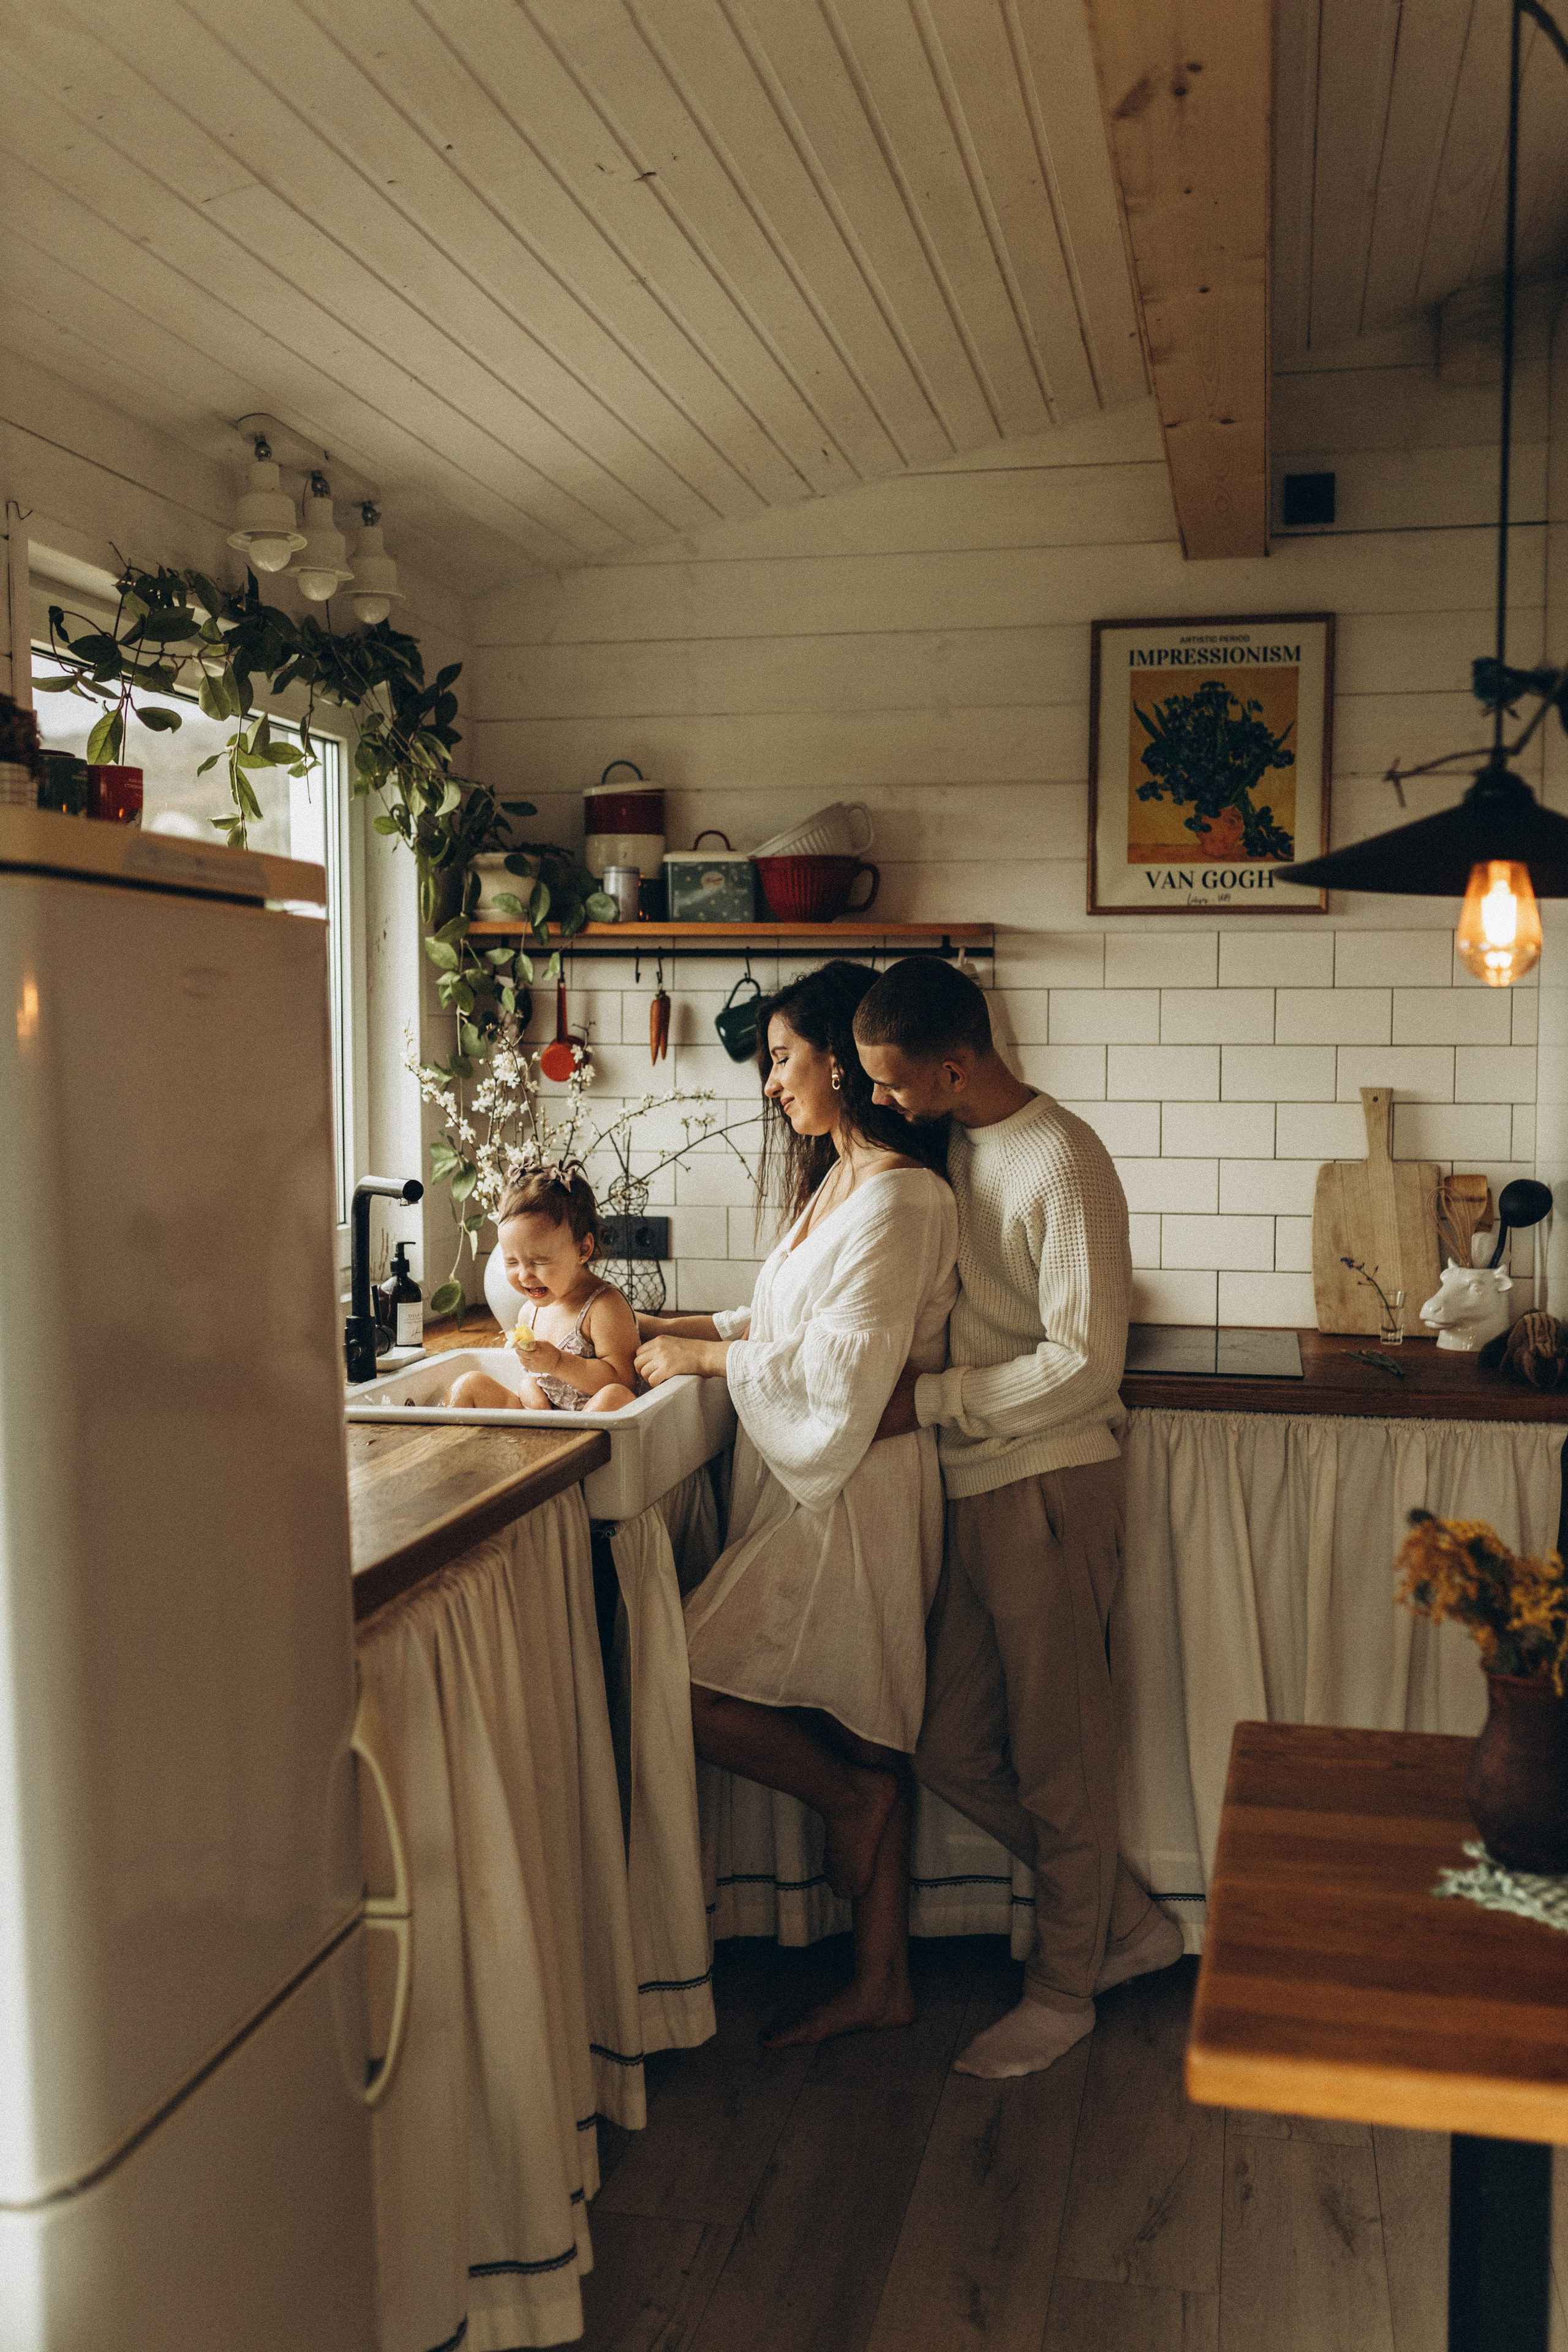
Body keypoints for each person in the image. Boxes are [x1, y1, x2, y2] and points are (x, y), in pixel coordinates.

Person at [853, 956, 1182, 2080]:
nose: (884, 1102)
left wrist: (930, 1405)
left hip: (1049, 1481)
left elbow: (1085, 1367)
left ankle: (1066, 1990)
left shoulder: (1065, 1161)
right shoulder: (956, 1142)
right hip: (979, 1483)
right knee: (948, 1743)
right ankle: (1129, 1924)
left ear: (955, 1065)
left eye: (894, 1084)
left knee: (1061, 1760)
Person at [634, 961, 957, 2047]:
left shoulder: (904, 1197)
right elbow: (787, 1308)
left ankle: (850, 1814)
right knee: (859, 1723)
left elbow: (841, 1379)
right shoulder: (843, 1182)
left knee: (680, 1680)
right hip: (816, 1483)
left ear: (842, 1062)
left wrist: (701, 1357)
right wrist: (686, 1334)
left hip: (853, 1491)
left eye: (782, 1060)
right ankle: (883, 1982)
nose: (771, 1086)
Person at [446, 1166, 643, 1412]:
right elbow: (536, 1377)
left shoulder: (604, 1307)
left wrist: (560, 1363)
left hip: (591, 1425)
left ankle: (570, 1449)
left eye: (539, 1261)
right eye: (512, 1262)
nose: (525, 1275)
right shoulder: (529, 1313)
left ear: (583, 1250)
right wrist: (530, 1389)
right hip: (545, 1419)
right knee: (468, 1384)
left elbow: (624, 1380)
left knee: (616, 1396)